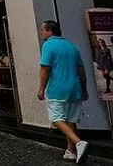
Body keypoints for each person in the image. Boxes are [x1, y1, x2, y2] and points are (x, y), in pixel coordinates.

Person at [38, 20, 89, 163]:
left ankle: (78, 143)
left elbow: (45, 68)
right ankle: (70, 151)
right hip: (75, 87)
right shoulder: (71, 46)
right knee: (70, 119)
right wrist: (84, 88)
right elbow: (81, 70)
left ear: (49, 31)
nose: (41, 33)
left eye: (42, 30)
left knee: (56, 118)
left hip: (58, 88)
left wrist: (41, 88)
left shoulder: (48, 45)